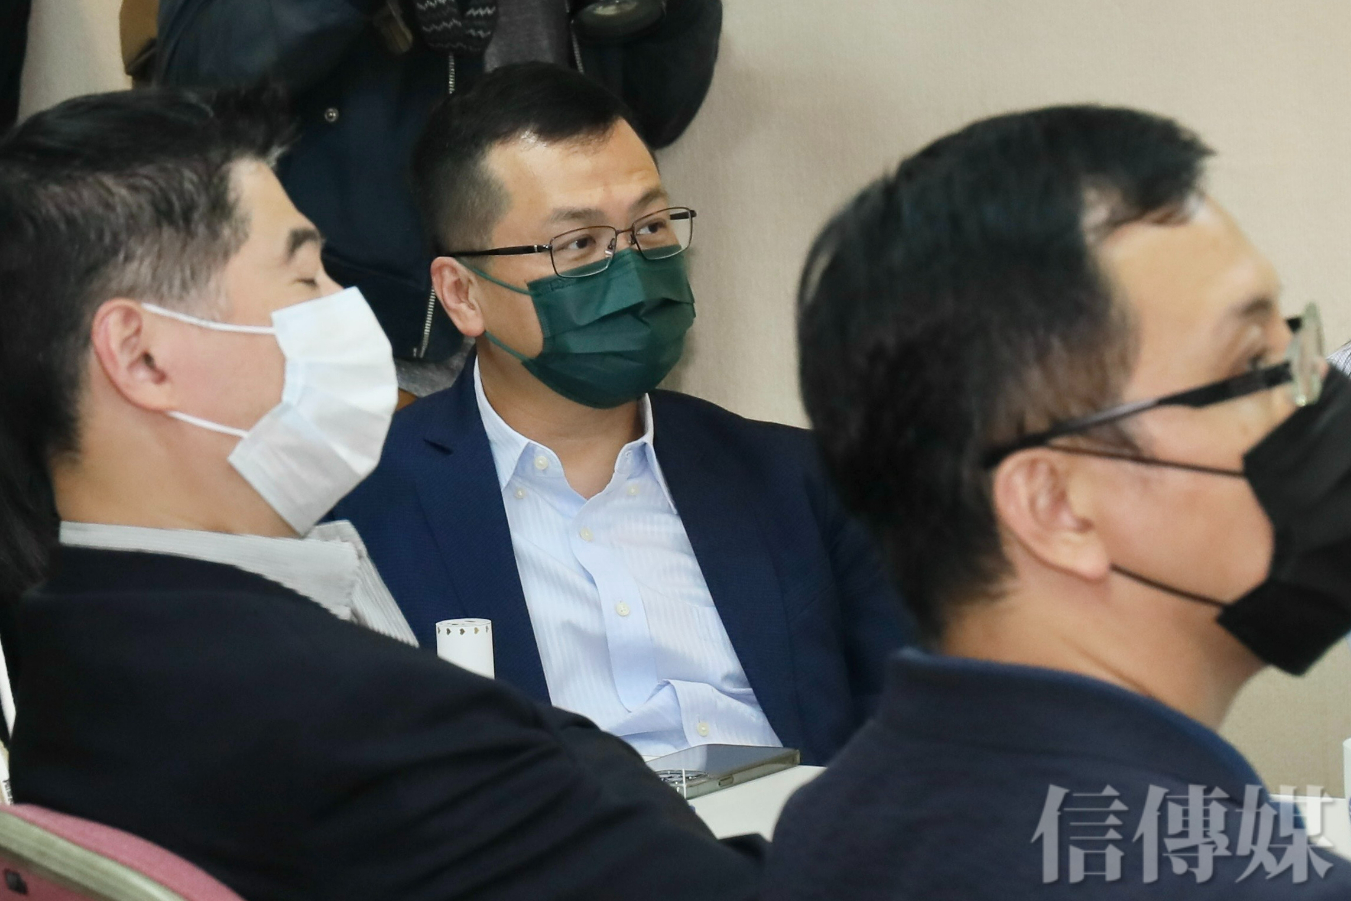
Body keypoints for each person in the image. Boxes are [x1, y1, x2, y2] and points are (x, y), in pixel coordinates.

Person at [0, 85, 764, 901]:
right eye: (305, 276)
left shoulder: (59, 642)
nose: (346, 307)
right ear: (142, 357)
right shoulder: (349, 711)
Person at [764, 105, 1351, 898]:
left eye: (1298, 343)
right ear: (1056, 506)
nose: (1322, 397)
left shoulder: (831, 819)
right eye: (1254, 366)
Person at [334, 62, 910, 765]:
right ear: (462, 294)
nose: (632, 272)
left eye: (652, 227)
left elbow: (917, 730)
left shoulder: (804, 480)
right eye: (578, 244)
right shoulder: (364, 508)